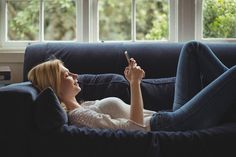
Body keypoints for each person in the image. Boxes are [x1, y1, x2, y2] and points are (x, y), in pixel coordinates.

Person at [28, 41, 236, 132]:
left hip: (169, 115)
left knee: (193, 49)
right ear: (55, 85)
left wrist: (132, 82)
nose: (74, 75)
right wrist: (135, 84)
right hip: (172, 125)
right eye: (66, 74)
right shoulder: (79, 117)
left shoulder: (83, 106)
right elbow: (135, 129)